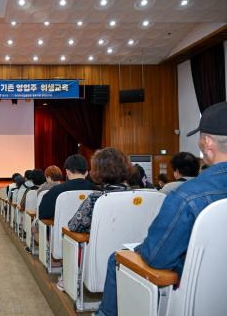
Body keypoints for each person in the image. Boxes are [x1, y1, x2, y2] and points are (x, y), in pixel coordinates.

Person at [97, 101, 227, 316]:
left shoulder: (186, 196)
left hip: (195, 293)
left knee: (118, 258)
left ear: (207, 142)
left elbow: (157, 257)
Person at [68, 148, 132, 233]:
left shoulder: (95, 198)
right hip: (133, 245)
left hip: (104, 245)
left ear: (98, 171)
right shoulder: (139, 198)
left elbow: (73, 226)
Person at [38, 154, 98, 220]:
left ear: (67, 171)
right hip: (91, 230)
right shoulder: (98, 191)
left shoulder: (55, 191)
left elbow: (42, 214)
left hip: (61, 230)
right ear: (86, 172)